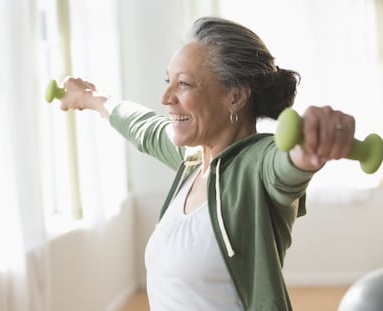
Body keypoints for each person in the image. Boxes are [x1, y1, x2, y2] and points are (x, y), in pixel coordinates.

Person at [59, 16, 355, 311]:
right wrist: (91, 98)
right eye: (168, 81)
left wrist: (308, 149)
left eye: (184, 84)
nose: (165, 97)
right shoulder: (193, 161)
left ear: (235, 96)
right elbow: (144, 128)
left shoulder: (256, 165)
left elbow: (284, 166)